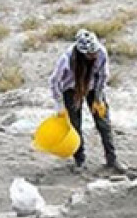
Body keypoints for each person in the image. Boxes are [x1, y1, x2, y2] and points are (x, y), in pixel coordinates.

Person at [48, 29, 123, 172]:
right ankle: (79, 160)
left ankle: (112, 159)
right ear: (83, 54)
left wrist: (98, 98)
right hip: (71, 89)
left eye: (94, 51)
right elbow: (54, 81)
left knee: (104, 124)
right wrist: (59, 104)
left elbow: (103, 75)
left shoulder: (101, 52)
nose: (94, 55)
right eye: (90, 54)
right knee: (75, 125)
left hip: (93, 87)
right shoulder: (66, 59)